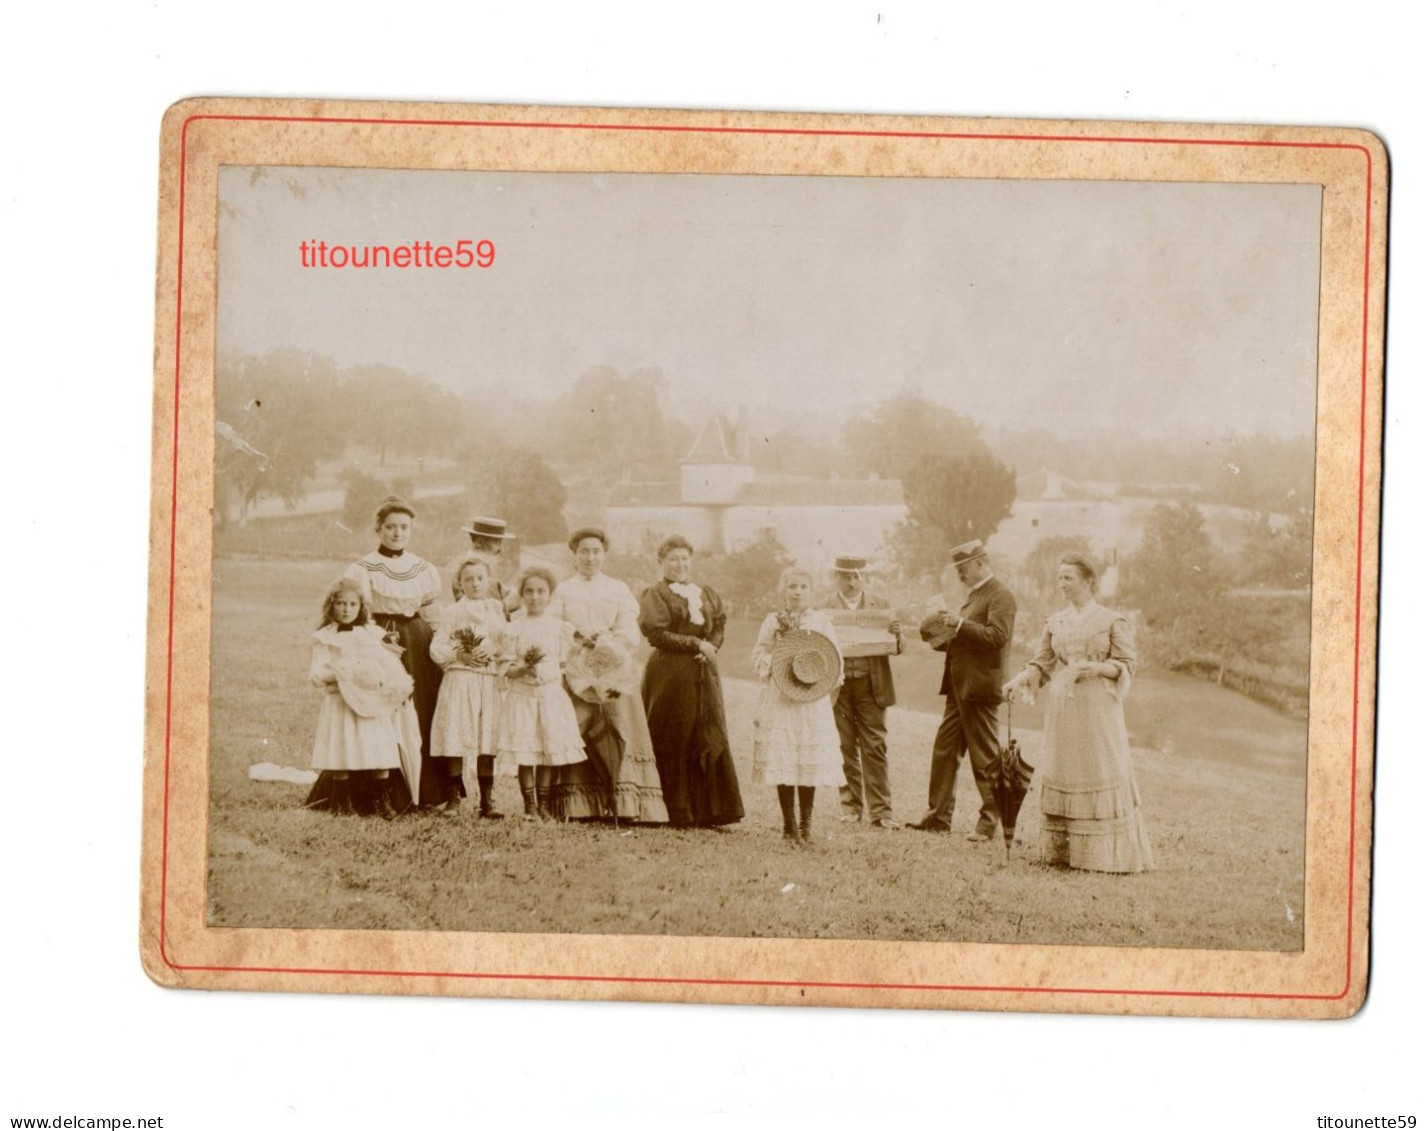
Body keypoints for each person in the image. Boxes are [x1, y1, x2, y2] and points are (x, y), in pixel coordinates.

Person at [1003, 552, 1154, 873]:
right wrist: (1019, 679)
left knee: (1097, 765)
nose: (1062, 584)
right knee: (1065, 766)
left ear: (1088, 581)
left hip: (1098, 706)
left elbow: (1127, 665)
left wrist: (1097, 668)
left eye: (1068, 577)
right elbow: (1042, 663)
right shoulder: (1055, 621)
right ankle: (1063, 852)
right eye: (1059, 578)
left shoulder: (1112, 620)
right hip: (1062, 707)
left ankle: (1102, 856)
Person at [548, 528, 669, 824]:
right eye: (584, 552)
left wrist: (608, 641)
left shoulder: (617, 589)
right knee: (579, 729)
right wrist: (577, 640)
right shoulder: (564, 590)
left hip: (613, 668)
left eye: (596, 552)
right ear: (574, 555)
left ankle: (625, 803)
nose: (590, 558)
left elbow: (630, 629)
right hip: (577, 671)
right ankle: (580, 805)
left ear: (604, 554)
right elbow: (554, 625)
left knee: (619, 727)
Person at [344, 496, 450, 809]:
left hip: (416, 640)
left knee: (421, 709)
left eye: (404, 527)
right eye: (390, 527)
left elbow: (432, 612)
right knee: (382, 709)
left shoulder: (422, 568)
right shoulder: (363, 568)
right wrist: (374, 643)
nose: (397, 533)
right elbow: (357, 613)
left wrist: (439, 642)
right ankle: (381, 791)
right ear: (378, 529)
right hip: (380, 638)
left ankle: (427, 792)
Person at [909, 539, 1017, 841]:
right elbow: (969, 638)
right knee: (944, 751)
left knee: (985, 758)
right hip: (959, 689)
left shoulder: (1001, 595)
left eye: (963, 567)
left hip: (979, 689)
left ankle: (988, 825)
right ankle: (938, 817)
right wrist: (940, 634)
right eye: (957, 568)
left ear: (980, 562)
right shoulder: (976, 595)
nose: (959, 574)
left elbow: (997, 637)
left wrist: (958, 624)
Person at [638, 536, 744, 828]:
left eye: (684, 558)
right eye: (673, 559)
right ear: (661, 562)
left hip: (703, 672)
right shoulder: (656, 594)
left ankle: (709, 810)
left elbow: (720, 624)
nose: (680, 564)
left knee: (707, 731)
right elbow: (656, 634)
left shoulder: (705, 592)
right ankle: (675, 810)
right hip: (670, 676)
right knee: (674, 733)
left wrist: (710, 646)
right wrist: (696, 644)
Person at [303, 578, 416, 820]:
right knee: (342, 749)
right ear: (331, 606)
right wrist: (343, 674)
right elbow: (317, 673)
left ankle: (381, 801)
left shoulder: (373, 634)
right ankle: (343, 802)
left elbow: (388, 665)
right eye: (341, 604)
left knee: (379, 749)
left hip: (372, 702)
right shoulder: (325, 637)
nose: (346, 609)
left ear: (361, 606)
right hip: (341, 702)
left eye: (352, 604)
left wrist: (387, 683)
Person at [752, 568, 845, 843]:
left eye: (804, 586)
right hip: (782, 697)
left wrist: (822, 680)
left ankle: (806, 825)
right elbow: (758, 655)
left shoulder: (821, 622)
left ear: (811, 591)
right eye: (792, 586)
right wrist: (778, 659)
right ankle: (788, 826)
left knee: (808, 761)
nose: (798, 592)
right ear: (784, 589)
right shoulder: (773, 621)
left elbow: (834, 658)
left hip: (810, 699)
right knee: (785, 757)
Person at [815, 554, 903, 828]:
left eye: (856, 577)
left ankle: (881, 812)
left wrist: (897, 635)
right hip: (838, 686)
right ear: (836, 578)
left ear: (863, 578)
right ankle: (851, 807)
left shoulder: (881, 606)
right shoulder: (823, 609)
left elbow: (896, 647)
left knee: (874, 746)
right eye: (846, 577)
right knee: (844, 746)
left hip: (870, 684)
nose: (852, 583)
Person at [493, 566, 588, 821]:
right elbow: (505, 668)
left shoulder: (560, 629)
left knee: (547, 750)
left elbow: (565, 664)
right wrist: (521, 669)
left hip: (550, 697)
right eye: (529, 592)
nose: (535, 597)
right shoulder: (513, 628)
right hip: (522, 697)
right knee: (526, 751)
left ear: (550, 595)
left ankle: (544, 804)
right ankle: (529, 806)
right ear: (522, 595)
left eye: (541, 592)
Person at [428, 555, 509, 818]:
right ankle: (454, 799)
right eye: (468, 579)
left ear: (488, 581)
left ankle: (487, 801)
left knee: (487, 737)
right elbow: (436, 647)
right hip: (461, 678)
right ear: (460, 584)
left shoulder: (496, 609)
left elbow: (507, 642)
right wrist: (458, 654)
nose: (474, 584)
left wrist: (495, 652)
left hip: (488, 680)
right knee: (456, 733)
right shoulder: (452, 612)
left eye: (479, 578)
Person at [460, 515, 520, 613]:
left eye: (501, 543)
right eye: (496, 543)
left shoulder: (481, 566)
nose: (500, 549)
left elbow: (499, 593)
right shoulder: (474, 570)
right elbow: (491, 609)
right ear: (479, 542)